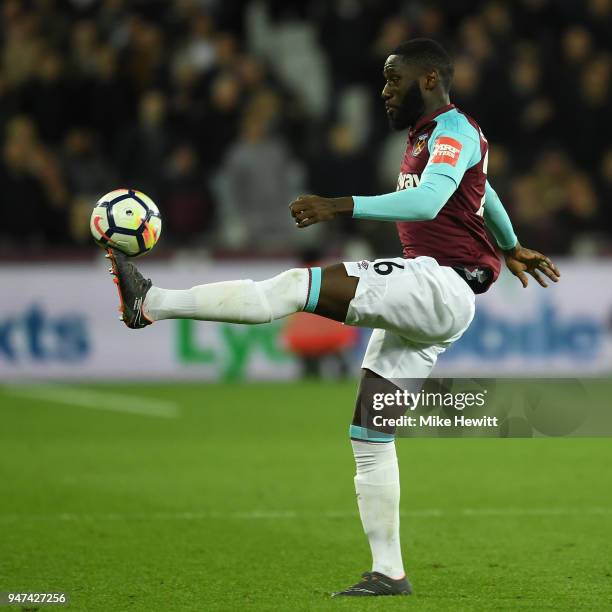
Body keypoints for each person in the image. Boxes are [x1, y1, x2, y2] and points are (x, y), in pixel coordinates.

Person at [103, 39, 560, 596]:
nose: (385, 90)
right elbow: (482, 192)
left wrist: (338, 204)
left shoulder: (455, 131)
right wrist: (512, 245)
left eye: (395, 80)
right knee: (371, 434)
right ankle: (389, 573)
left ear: (430, 81)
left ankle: (150, 302)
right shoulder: (432, 137)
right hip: (439, 296)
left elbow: (425, 205)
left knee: (297, 286)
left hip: (440, 283)